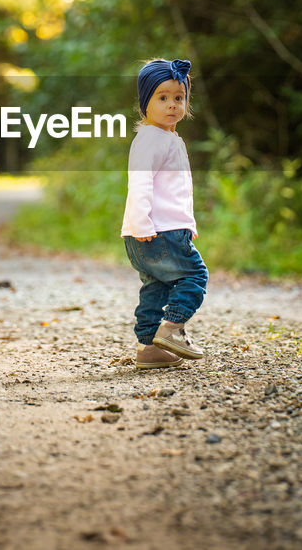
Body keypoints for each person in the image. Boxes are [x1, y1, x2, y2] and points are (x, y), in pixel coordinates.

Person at [121, 58, 208, 370]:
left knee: (156, 285)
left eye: (178, 97)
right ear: (146, 103)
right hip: (158, 231)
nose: (172, 105)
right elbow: (141, 182)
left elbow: (175, 191)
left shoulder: (163, 138)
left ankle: (148, 346)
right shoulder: (153, 139)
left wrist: (189, 223)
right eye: (162, 97)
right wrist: (143, 221)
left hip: (149, 230)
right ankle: (171, 329)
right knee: (196, 275)